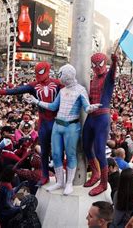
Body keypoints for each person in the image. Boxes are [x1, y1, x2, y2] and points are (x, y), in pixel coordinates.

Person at [26, 64, 101, 195]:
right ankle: (60, 182)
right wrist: (36, 101)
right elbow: (53, 106)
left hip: (72, 126)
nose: (58, 77)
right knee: (55, 154)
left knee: (71, 155)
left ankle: (69, 183)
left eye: (60, 74)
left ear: (67, 74)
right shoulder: (62, 90)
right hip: (57, 125)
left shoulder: (80, 90)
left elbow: (86, 107)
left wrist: (92, 108)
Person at [0, 61, 63, 185]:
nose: (39, 75)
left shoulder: (57, 83)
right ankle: (45, 175)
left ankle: (60, 177)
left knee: (58, 150)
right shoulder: (34, 85)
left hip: (55, 121)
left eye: (41, 72)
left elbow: (71, 91)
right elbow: (17, 90)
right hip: (44, 121)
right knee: (44, 150)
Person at [82, 51, 118, 196]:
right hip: (91, 116)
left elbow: (112, 74)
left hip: (102, 116)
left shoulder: (107, 78)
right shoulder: (93, 79)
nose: (97, 66)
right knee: (85, 145)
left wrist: (115, 62)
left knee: (99, 150)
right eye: (94, 64)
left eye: (99, 63)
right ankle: (96, 174)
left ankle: (103, 182)